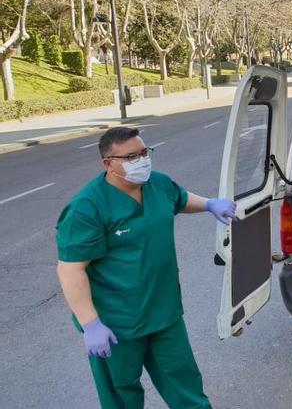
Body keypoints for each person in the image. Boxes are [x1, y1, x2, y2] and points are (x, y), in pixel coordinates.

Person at [55, 127, 237, 409]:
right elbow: (71, 270)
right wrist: (91, 324)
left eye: (144, 153)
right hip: (117, 325)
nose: (142, 161)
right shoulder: (87, 208)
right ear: (108, 163)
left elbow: (180, 198)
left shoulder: (157, 184)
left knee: (187, 389)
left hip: (164, 315)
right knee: (122, 397)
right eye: (131, 157)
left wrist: (210, 204)